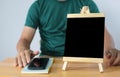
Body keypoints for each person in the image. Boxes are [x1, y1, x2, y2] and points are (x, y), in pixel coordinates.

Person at [15, 0, 120, 67]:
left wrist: (110, 50)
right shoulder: (38, 6)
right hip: (49, 60)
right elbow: (24, 39)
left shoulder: (87, 3)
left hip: (82, 62)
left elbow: (103, 33)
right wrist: (23, 50)